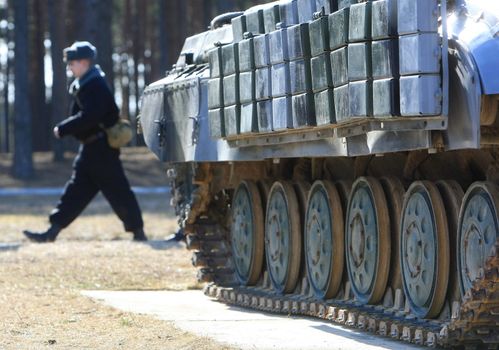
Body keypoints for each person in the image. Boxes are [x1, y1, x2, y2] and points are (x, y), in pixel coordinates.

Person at [23, 41, 147, 243]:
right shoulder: (88, 83)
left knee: (118, 191)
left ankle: (139, 233)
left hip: (101, 149)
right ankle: (51, 232)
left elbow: (90, 115)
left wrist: (63, 128)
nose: (69, 67)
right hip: (92, 148)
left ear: (83, 62)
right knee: (75, 192)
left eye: (71, 63)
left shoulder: (95, 84)